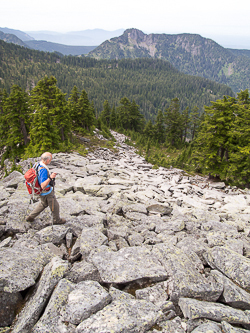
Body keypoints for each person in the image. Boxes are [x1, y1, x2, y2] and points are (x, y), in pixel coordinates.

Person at [26, 152, 66, 224]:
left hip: (38, 190)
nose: (50, 161)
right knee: (55, 205)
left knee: (43, 203)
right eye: (50, 159)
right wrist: (51, 177)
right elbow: (43, 185)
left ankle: (31, 217)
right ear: (48, 160)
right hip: (46, 192)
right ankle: (56, 220)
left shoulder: (37, 164)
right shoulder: (43, 169)